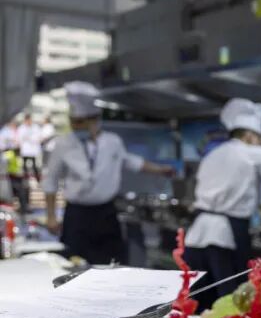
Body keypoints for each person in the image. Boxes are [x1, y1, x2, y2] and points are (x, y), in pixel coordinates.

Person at [184, 98, 261, 306]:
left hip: (196, 235)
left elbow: (224, 190)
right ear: (249, 135)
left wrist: (260, 207)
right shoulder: (252, 152)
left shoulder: (213, 154)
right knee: (233, 301)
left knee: (198, 299)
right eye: (259, 138)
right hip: (226, 235)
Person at [43, 81, 175, 264]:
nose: (75, 127)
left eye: (80, 122)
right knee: (73, 264)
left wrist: (161, 170)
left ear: (95, 120)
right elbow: (51, 180)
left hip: (105, 213)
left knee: (110, 263)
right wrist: (51, 216)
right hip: (76, 215)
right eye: (73, 122)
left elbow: (132, 162)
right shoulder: (64, 143)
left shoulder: (112, 142)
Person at [16, 114, 42, 183]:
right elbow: (19, 138)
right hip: (25, 150)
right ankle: (25, 180)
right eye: (27, 120)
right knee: (24, 166)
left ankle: (38, 181)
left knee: (35, 166)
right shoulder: (21, 128)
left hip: (33, 150)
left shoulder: (36, 127)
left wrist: (31, 139)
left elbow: (39, 137)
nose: (28, 122)